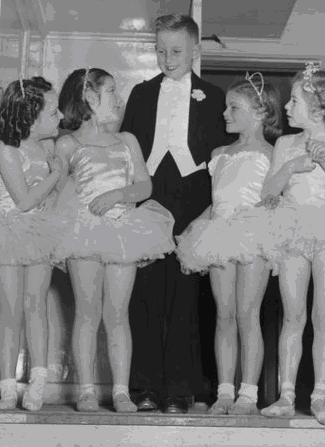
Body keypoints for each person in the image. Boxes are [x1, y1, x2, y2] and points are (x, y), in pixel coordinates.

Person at [120, 13, 232, 414]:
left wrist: (213, 211)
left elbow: (222, 159)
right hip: (149, 196)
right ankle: (145, 386)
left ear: (196, 50)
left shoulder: (215, 97)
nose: (167, 59)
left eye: (177, 51)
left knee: (187, 295)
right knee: (145, 293)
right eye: (160, 50)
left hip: (194, 197)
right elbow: (126, 153)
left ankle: (182, 389)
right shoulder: (140, 94)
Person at [54, 68, 175, 413]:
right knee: (87, 312)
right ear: (90, 99)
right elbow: (56, 186)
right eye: (111, 92)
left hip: (123, 230)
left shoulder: (127, 141)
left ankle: (121, 391)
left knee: (118, 313)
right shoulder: (68, 143)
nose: (119, 99)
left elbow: (144, 186)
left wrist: (119, 194)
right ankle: (87, 390)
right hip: (83, 232)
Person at [259, 63, 325, 425]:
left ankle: (320, 396)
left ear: (318, 106)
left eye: (294, 100)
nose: (287, 108)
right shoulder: (284, 143)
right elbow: (269, 192)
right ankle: (286, 395)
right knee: (293, 315)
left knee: (323, 316)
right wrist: (292, 167)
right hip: (291, 229)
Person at [176, 73, 283, 415]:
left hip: (254, 235)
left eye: (234, 107)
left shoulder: (271, 153)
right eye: (225, 107)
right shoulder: (219, 154)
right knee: (224, 315)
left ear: (261, 112)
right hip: (220, 235)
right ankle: (224, 391)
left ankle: (248, 395)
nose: (225, 113)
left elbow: (272, 196)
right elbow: (218, 200)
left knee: (247, 314)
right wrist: (197, 223)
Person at [0, 76, 66, 411]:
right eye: (53, 109)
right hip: (7, 232)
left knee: (36, 307)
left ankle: (37, 384)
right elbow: (22, 200)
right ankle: (8, 387)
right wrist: (55, 175)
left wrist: (54, 187)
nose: (61, 115)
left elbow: (48, 201)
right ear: (30, 115)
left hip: (38, 234)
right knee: (10, 312)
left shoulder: (46, 147)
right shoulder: (5, 149)